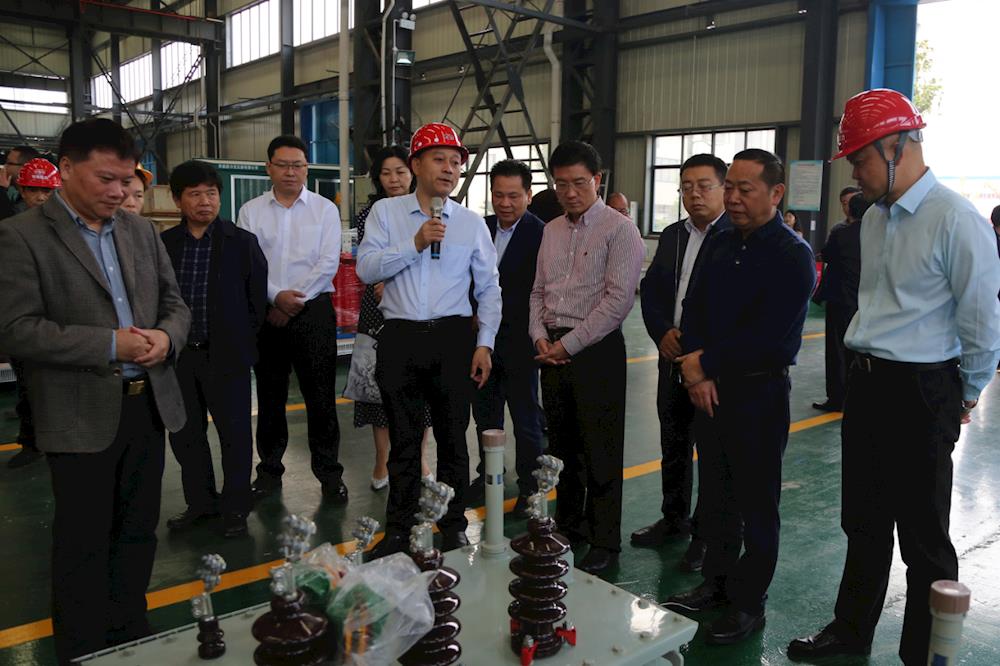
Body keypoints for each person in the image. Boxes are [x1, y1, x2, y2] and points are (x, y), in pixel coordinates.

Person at [788, 89, 1000, 666]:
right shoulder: (874, 219)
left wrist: (965, 393)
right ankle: (849, 632)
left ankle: (923, 655)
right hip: (868, 385)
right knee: (863, 522)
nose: (854, 173)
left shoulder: (955, 220)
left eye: (859, 159)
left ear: (896, 146)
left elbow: (983, 322)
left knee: (924, 537)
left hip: (922, 391)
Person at [0, 118, 190, 664]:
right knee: (82, 543)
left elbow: (175, 305)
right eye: (106, 179)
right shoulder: (22, 236)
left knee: (138, 533)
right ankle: (82, 650)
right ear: (66, 169)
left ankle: (130, 633)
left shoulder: (139, 232)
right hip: (78, 414)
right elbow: (15, 329)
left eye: (126, 181)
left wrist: (165, 338)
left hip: (147, 408)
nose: (118, 191)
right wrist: (111, 345)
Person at [668, 149, 815, 645]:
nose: (732, 197)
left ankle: (749, 602)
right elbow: (695, 306)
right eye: (728, 186)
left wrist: (704, 363)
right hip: (709, 390)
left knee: (757, 502)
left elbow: (772, 337)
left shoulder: (792, 255)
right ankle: (716, 583)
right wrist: (697, 373)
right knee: (715, 495)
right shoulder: (721, 240)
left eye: (744, 189)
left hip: (759, 393)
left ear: (776, 193)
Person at [358, 122, 501, 559]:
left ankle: (453, 526)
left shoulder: (471, 224)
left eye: (456, 162)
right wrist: (415, 243)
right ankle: (398, 530)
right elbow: (366, 269)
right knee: (403, 441)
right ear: (416, 164)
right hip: (400, 337)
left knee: (453, 439)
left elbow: (489, 288)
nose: (449, 169)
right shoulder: (386, 214)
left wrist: (485, 343)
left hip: (453, 339)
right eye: (439, 159)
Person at [529, 140, 645, 575]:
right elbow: (537, 292)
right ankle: (568, 527)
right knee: (562, 448)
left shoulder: (620, 230)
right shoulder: (551, 230)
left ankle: (604, 541)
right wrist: (540, 337)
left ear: (598, 180)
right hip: (552, 352)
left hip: (597, 352)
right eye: (561, 184)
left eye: (579, 183)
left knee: (601, 450)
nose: (570, 192)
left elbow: (617, 302)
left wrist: (569, 344)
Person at [633, 154, 732, 575]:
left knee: (711, 454)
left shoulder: (734, 237)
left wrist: (699, 350)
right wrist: (661, 333)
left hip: (709, 367)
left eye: (704, 186)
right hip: (671, 358)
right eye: (686, 186)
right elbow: (652, 290)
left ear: (724, 188)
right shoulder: (674, 235)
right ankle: (673, 519)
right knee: (673, 446)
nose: (694, 194)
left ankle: (704, 537)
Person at [160, 160, 268, 538]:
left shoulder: (241, 243)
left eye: (211, 193)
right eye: (195, 194)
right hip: (179, 358)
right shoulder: (165, 245)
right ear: (177, 200)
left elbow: (257, 302)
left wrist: (242, 344)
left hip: (226, 357)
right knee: (186, 436)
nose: (205, 201)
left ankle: (235, 507)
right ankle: (201, 504)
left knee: (235, 436)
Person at [237, 135, 346, 503]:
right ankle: (269, 471)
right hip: (267, 313)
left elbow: (328, 263)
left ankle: (330, 474)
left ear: (306, 168)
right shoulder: (251, 211)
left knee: (321, 398)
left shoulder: (324, 210)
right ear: (268, 168)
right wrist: (275, 298)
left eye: (297, 165)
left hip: (313, 311)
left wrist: (291, 301)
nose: (290, 172)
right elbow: (250, 264)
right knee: (270, 398)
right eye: (282, 165)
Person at [353, 145, 433, 490]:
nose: (393, 179)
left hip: (418, 305)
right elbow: (368, 259)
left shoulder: (428, 210)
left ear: (413, 172)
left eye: (400, 171)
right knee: (377, 390)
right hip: (377, 308)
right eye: (385, 173)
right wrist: (383, 282)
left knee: (422, 388)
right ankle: (382, 458)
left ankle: (421, 457)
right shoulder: (370, 213)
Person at [468, 159, 545, 517]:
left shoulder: (541, 234)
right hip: (480, 342)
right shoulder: (480, 228)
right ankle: (488, 475)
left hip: (520, 342)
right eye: (498, 195)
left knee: (526, 419)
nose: (505, 203)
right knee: (485, 414)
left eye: (513, 196)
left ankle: (530, 489)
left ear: (528, 195)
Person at [4, 158, 63, 469]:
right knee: (27, 385)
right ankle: (31, 441)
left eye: (47, 191)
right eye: (33, 190)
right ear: (21, 190)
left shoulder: (69, 227)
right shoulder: (11, 229)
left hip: (60, 323)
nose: (40, 197)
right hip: (26, 323)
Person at [812, 192, 869, 412]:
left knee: (837, 351)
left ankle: (837, 398)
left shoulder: (841, 233)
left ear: (849, 210)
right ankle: (858, 399)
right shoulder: (878, 233)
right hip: (865, 301)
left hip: (840, 300)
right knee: (860, 352)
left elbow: (827, 255)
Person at [1, 145, 41, 219]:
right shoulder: (17, 194)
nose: (5, 167)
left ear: (25, 168)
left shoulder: (36, 199)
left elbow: (10, 222)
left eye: (9, 163)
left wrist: (1, 190)